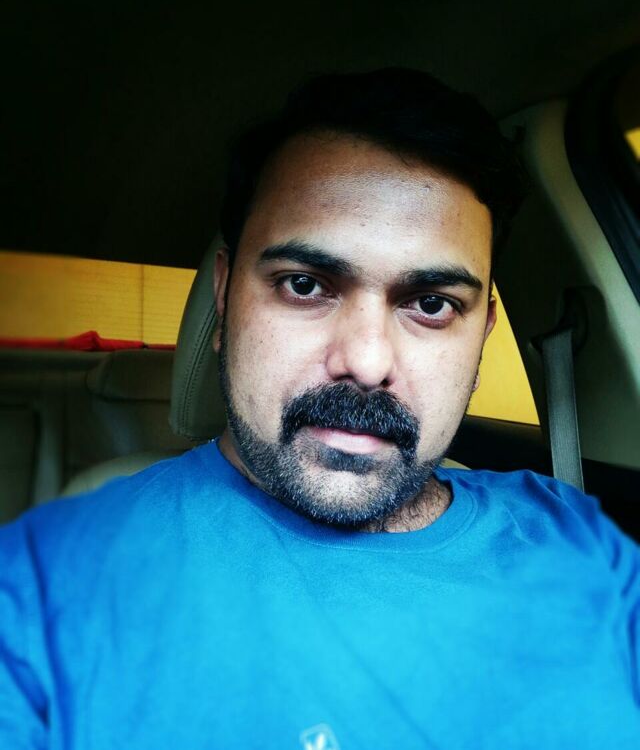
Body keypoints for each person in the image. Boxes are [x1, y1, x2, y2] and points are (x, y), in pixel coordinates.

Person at [1, 68, 638, 749]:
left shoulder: (579, 539)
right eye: (305, 285)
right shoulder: (47, 589)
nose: (365, 360)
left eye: (431, 303)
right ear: (225, 298)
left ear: (481, 331)